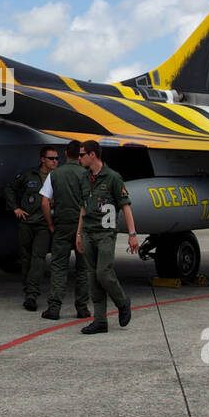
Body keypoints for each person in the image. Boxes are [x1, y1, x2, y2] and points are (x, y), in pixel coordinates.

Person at [75, 140, 140, 335]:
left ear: (92, 155)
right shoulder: (85, 178)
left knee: (104, 273)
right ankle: (100, 321)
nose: (79, 158)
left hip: (105, 234)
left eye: (82, 155)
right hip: (88, 232)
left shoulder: (113, 178)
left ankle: (122, 302)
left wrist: (132, 234)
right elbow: (83, 208)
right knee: (93, 278)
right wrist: (78, 234)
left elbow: (125, 206)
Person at [38, 140, 93, 320]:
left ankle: (54, 308)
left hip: (61, 226)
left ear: (65, 154)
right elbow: (89, 202)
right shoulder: (86, 174)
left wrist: (50, 224)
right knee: (83, 268)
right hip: (82, 227)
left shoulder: (55, 174)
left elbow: (45, 202)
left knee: (58, 267)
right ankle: (82, 308)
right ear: (79, 155)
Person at [4, 147, 57, 311]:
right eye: (51, 158)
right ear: (43, 159)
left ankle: (32, 294)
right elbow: (9, 188)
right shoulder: (29, 175)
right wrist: (15, 208)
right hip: (26, 223)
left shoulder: (58, 176)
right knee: (25, 258)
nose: (55, 161)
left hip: (43, 224)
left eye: (56, 158)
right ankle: (28, 290)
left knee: (38, 258)